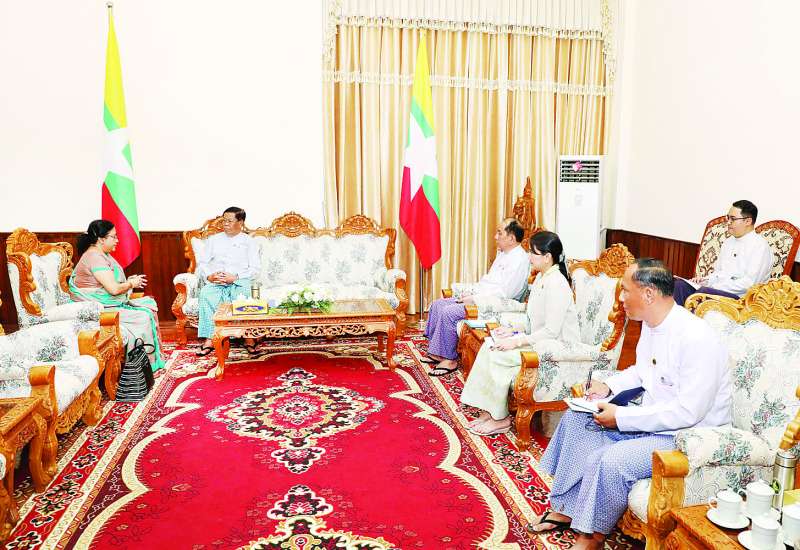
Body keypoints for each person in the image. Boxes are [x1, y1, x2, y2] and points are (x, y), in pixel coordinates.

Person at [527, 258, 732, 549]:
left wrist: (621, 417)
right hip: (652, 419)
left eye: (625, 290)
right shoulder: (651, 323)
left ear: (648, 293)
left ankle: (591, 535)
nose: (620, 298)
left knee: (610, 460)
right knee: (576, 420)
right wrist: (608, 386)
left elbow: (688, 411)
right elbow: (641, 371)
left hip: (686, 436)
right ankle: (567, 509)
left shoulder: (697, 338)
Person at [460, 231, 580, 435]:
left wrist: (516, 342)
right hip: (539, 340)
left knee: (499, 355)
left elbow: (551, 331)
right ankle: (490, 411)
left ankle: (500, 419)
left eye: (533, 252)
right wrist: (512, 330)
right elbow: (534, 319)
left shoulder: (557, 284)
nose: (529, 256)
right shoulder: (543, 277)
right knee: (490, 346)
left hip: (555, 347)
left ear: (547, 257)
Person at [424, 218, 530, 377]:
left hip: (492, 304)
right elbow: (488, 282)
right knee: (438, 304)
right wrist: (471, 293)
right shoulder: (503, 254)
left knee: (449, 313)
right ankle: (437, 352)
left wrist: (475, 299)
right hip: (480, 296)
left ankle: (449, 360)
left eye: (499, 233)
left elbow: (505, 293)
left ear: (511, 238)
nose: (495, 237)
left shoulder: (520, 260)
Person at [69, 219, 165, 372]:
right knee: (143, 316)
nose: (117, 240)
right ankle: (138, 367)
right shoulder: (95, 257)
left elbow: (109, 285)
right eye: (113, 237)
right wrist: (131, 284)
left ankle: (143, 363)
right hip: (98, 309)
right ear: (101, 239)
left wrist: (128, 282)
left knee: (148, 306)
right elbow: (113, 289)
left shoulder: (101, 254)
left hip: (106, 304)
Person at [673, 199, 772, 305]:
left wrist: (714, 287)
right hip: (716, 290)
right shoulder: (728, 242)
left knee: (703, 293)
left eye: (733, 219)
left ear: (748, 221)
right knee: (680, 285)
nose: (728, 222)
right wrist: (705, 281)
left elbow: (750, 284)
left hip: (741, 299)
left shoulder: (760, 246)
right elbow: (719, 273)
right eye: (728, 218)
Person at [195, 206, 260, 356]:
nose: (225, 224)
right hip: (217, 281)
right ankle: (210, 339)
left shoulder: (249, 242)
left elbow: (255, 269)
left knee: (245, 296)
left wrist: (235, 277)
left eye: (229, 221)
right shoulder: (213, 240)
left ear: (240, 222)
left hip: (240, 280)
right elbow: (203, 263)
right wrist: (209, 276)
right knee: (206, 293)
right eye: (224, 220)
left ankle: (248, 337)